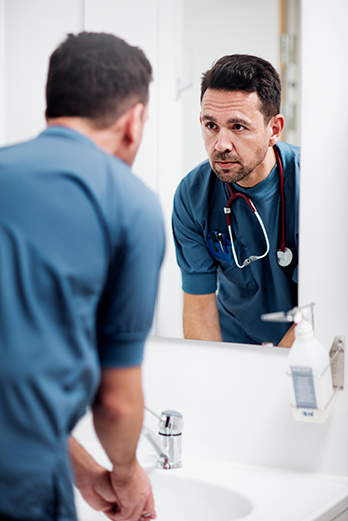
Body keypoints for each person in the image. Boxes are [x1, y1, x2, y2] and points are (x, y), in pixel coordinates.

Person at [0, 32, 165, 521]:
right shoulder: (128, 202)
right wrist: (126, 470)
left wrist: (81, 469)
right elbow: (115, 404)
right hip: (21, 486)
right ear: (134, 121)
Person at [172, 54, 299, 346]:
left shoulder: (313, 187)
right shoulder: (192, 196)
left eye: (238, 127)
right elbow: (198, 305)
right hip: (233, 341)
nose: (221, 145)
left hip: (302, 343)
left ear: (274, 129)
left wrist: (277, 366)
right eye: (211, 125)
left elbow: (329, 302)